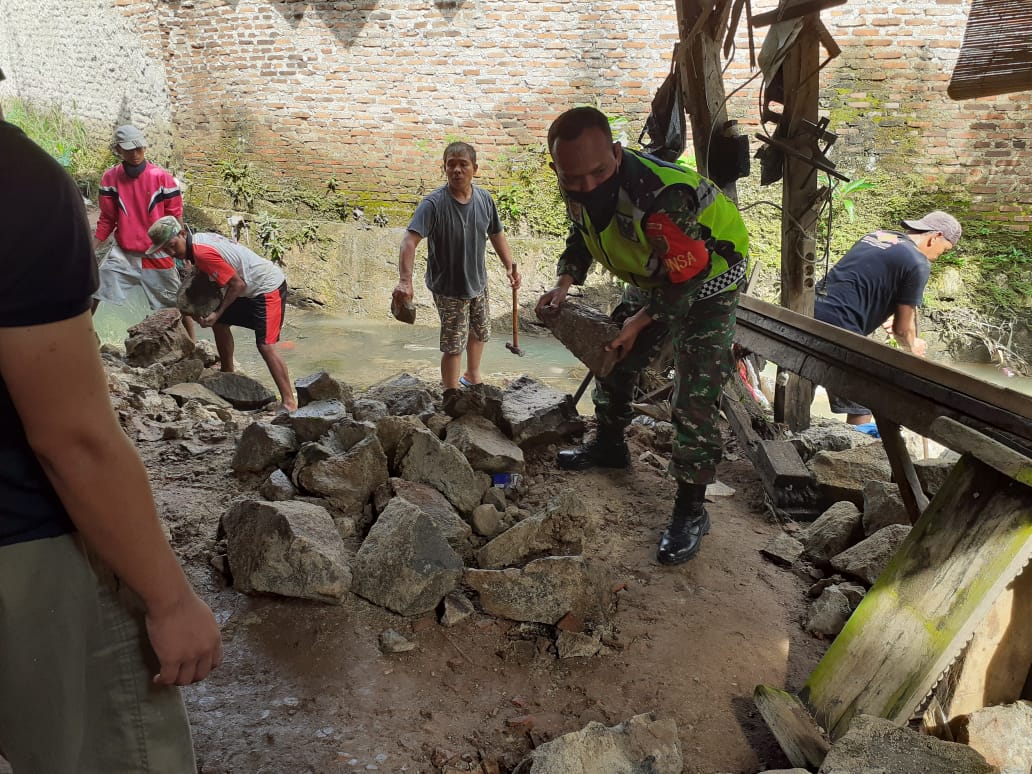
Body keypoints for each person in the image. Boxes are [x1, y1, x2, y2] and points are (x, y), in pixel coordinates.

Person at [0, 76, 221, 772]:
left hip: (152, 262)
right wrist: (170, 597)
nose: (127, 159)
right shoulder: (20, 185)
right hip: (24, 535)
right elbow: (74, 438)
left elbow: (187, 243)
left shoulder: (160, 183)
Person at [536, 106, 749, 567]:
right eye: (574, 178)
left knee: (694, 392)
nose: (588, 185)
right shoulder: (577, 182)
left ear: (616, 152)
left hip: (708, 280)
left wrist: (639, 323)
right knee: (613, 356)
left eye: (599, 172)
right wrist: (564, 281)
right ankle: (610, 446)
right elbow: (582, 232)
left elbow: (687, 277)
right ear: (557, 169)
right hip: (657, 275)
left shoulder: (662, 197)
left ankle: (692, 509)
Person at [392, 141, 520, 390]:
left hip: (477, 281)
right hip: (448, 287)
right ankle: (450, 392)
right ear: (445, 168)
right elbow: (409, 241)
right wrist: (405, 281)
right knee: (453, 344)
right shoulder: (434, 204)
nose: (457, 170)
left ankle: (472, 375)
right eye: (451, 165)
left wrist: (509, 266)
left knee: (480, 330)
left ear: (475, 168)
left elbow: (496, 233)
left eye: (464, 165)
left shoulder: (484, 199)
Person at [814, 211, 961, 425]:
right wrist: (912, 348)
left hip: (810, 308)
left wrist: (883, 314)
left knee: (803, 375)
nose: (939, 256)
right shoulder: (918, 262)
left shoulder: (878, 236)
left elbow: (862, 278)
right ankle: (858, 453)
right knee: (864, 399)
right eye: (944, 250)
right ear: (935, 237)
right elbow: (902, 330)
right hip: (840, 325)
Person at [145, 216, 298, 411]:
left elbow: (237, 284)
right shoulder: (197, 241)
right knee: (221, 323)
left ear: (183, 234)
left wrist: (217, 312)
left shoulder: (201, 252)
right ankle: (228, 372)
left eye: (172, 245)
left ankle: (289, 402)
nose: (171, 252)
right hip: (248, 287)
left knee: (265, 345)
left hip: (266, 287)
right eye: (164, 250)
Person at [93, 123, 194, 339]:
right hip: (124, 252)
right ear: (119, 149)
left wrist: (184, 251)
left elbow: (175, 216)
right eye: (130, 149)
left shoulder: (161, 177)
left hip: (157, 251)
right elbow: (107, 219)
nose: (136, 154)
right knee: (96, 288)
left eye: (139, 148)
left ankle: (192, 344)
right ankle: (83, 335)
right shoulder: (110, 179)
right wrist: (92, 248)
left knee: (177, 302)